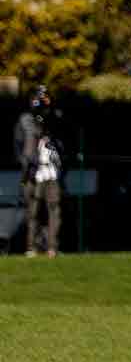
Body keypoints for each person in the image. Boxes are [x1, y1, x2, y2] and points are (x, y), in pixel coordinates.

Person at [13, 86, 62, 257]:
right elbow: (18, 145)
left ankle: (52, 247)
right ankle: (31, 247)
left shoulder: (54, 117)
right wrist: (24, 162)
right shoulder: (25, 120)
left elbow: (61, 135)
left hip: (51, 171)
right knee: (32, 211)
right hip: (32, 172)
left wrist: (50, 109)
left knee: (53, 208)